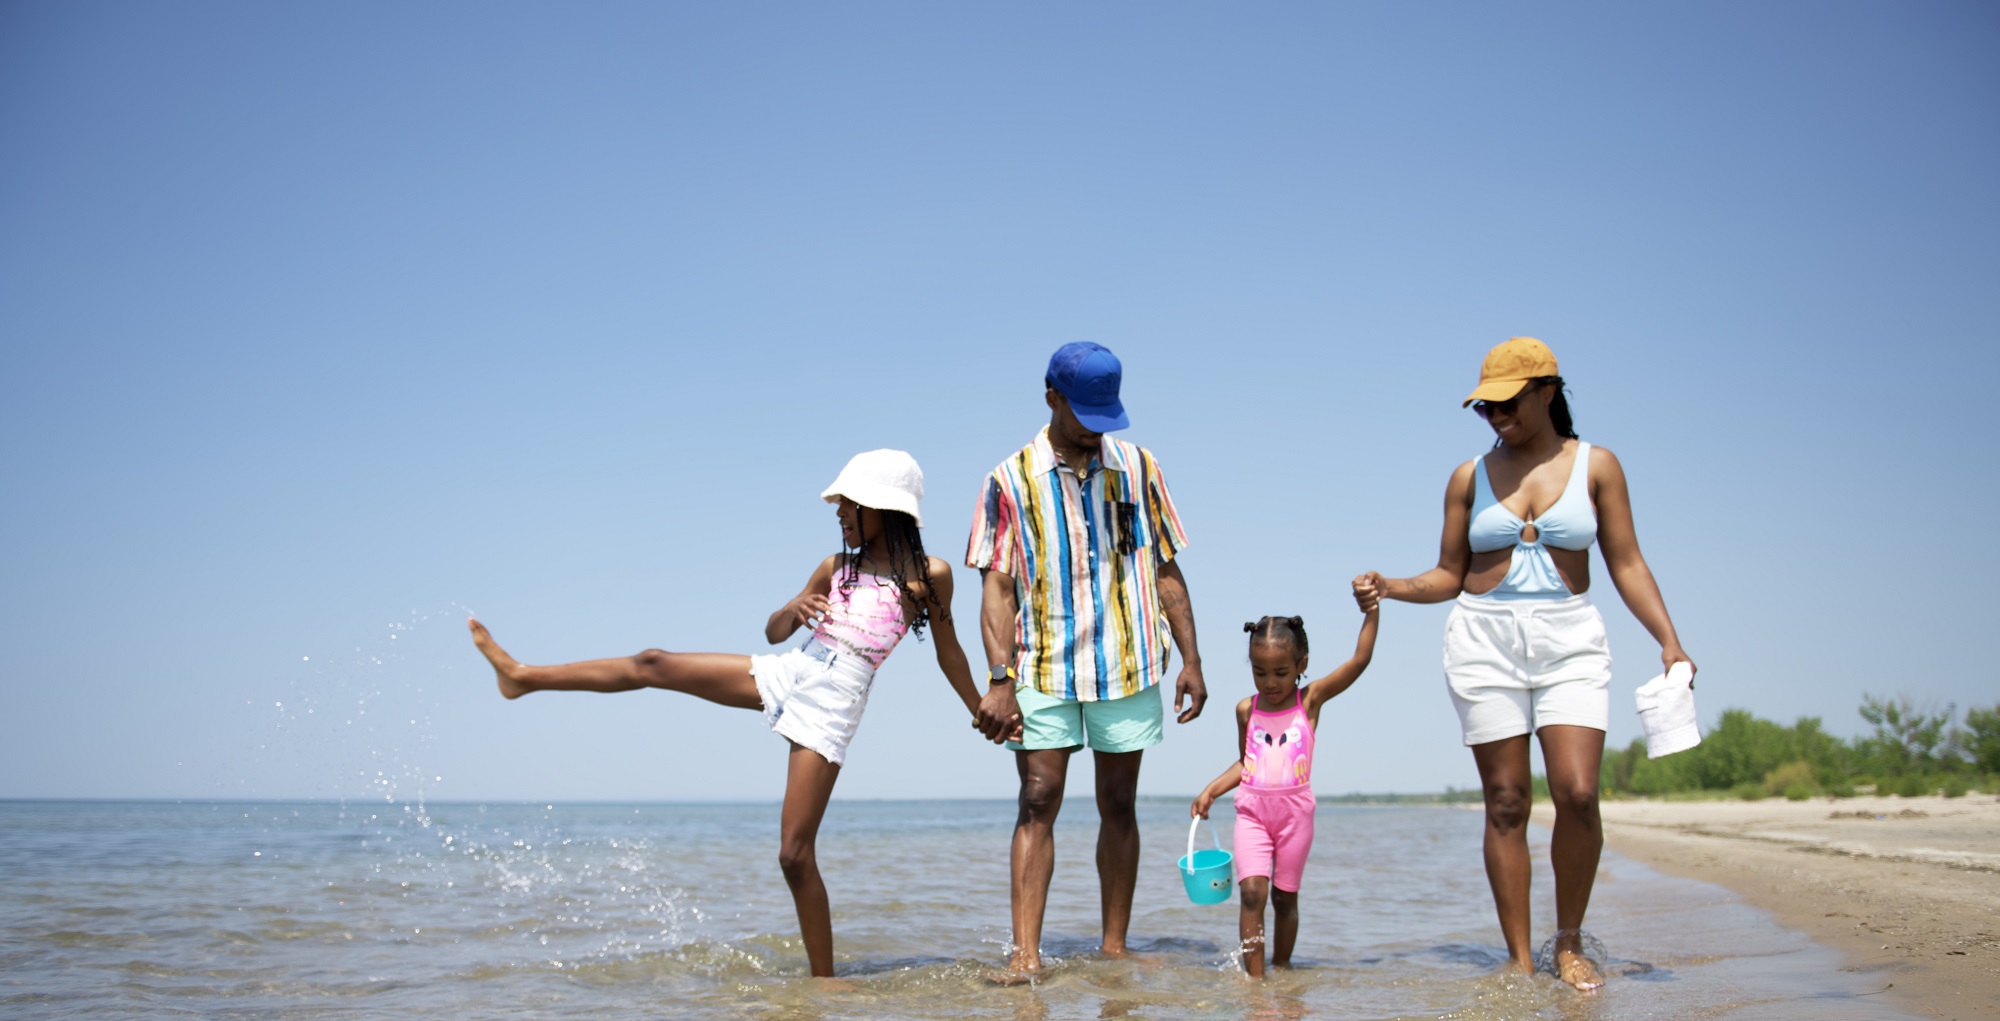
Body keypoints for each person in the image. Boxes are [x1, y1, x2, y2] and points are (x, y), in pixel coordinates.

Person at [468, 450, 983, 979]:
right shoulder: (835, 568)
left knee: (793, 853)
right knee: (655, 662)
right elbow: (773, 632)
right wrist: (793, 609)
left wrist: (979, 709)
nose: (838, 513)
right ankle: (523, 677)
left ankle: (824, 985)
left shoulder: (931, 576)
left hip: (835, 699)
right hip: (794, 668)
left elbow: (950, 653)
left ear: (883, 507)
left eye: (849, 504)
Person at [1353, 337, 1694, 991]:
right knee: (1507, 801)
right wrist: (1391, 586)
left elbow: (1626, 562)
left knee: (1578, 793)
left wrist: (1668, 640)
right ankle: (1516, 958)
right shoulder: (1466, 477)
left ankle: (1568, 943)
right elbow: (1450, 574)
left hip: (1570, 638)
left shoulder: (1598, 466)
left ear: (1547, 392)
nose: (1495, 415)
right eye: (1485, 406)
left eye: (1508, 402)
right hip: (1483, 640)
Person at [968, 341, 1207, 981]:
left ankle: (1114, 946)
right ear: (1051, 397)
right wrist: (998, 679)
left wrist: (1191, 659)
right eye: (1083, 415)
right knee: (1037, 799)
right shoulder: (1008, 480)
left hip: (1126, 659)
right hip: (1040, 664)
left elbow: (1164, 566)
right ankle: (1026, 956)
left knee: (1119, 804)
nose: (1096, 431)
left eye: (1107, 416)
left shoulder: (1139, 467)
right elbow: (996, 587)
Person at [1192, 608, 1379, 976]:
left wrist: (1372, 612)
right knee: (1251, 894)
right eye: (1259, 672)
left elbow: (1359, 661)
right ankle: (1256, 984)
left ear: (1301, 664)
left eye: (1280, 672)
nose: (1270, 682)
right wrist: (1211, 790)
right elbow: (1246, 763)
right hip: (1252, 814)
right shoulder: (1246, 709)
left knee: (1284, 898)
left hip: (1295, 817)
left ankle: (1283, 968)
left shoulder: (1308, 702)